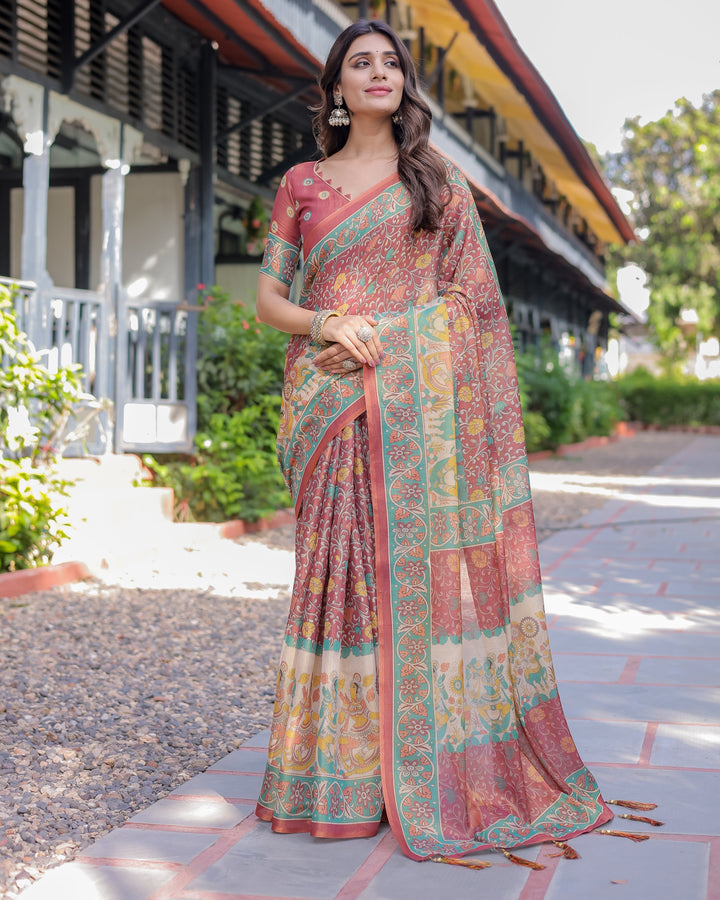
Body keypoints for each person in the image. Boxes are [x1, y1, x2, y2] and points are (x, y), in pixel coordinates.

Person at [254, 18, 614, 864]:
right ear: (336, 89)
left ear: (403, 83)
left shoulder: (436, 180)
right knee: (336, 586)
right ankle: (331, 774)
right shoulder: (302, 182)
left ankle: (414, 770)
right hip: (329, 404)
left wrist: (400, 337)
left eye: (390, 61)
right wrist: (330, 320)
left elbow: (474, 309)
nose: (377, 72)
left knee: (412, 585)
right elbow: (270, 303)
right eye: (359, 63)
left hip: (416, 412)